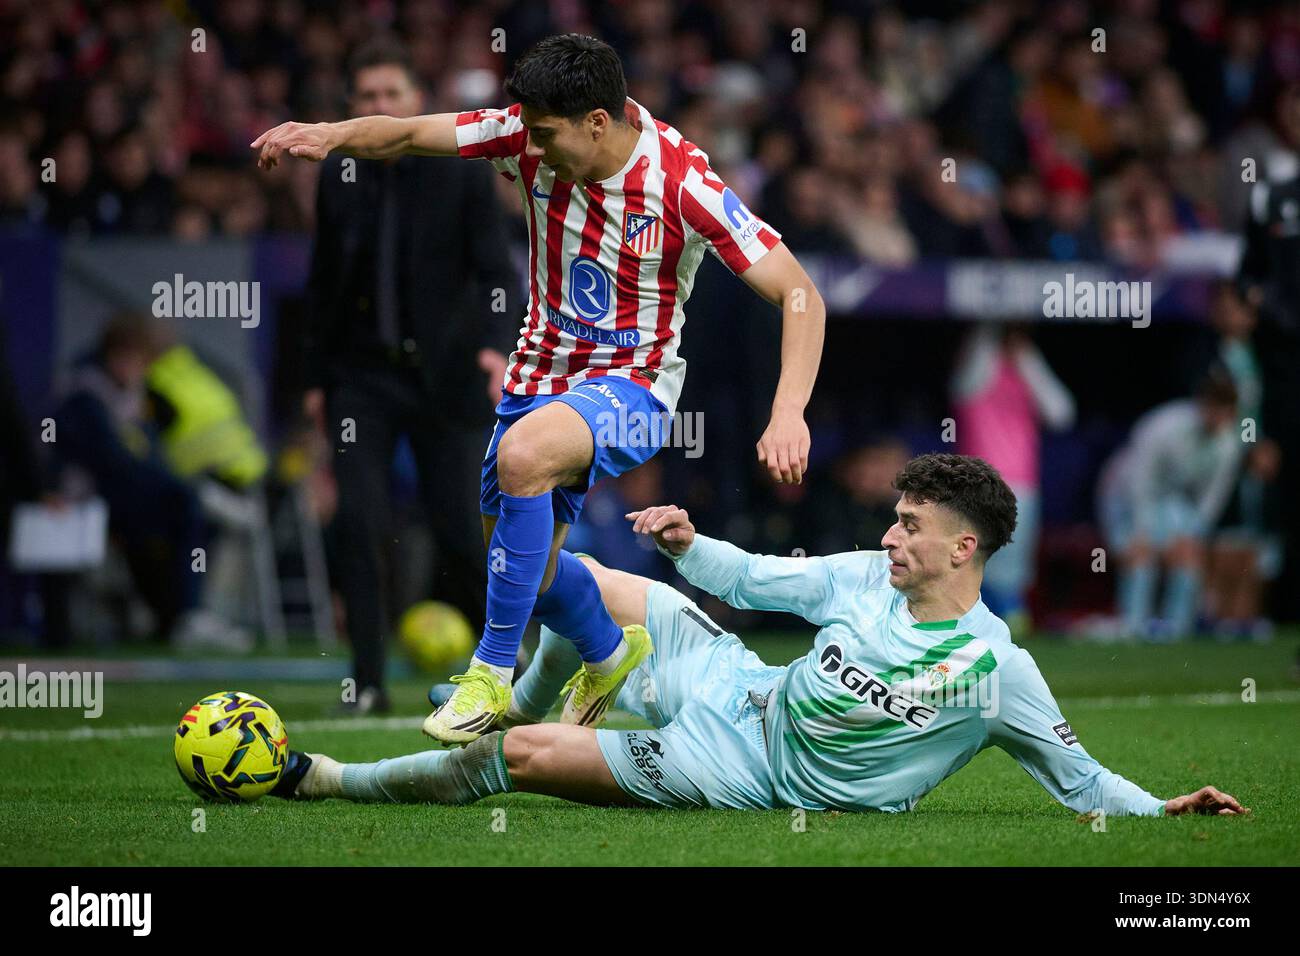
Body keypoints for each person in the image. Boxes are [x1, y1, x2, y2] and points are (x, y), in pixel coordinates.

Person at [254, 34, 825, 741]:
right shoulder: (524, 135)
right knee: (525, 565)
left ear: (596, 122)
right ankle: (611, 654)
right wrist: (328, 135)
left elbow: (801, 294)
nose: (533, 148)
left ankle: (490, 675)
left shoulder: (683, 183)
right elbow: (404, 132)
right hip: (537, 373)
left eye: (547, 134)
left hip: (633, 385)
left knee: (523, 461)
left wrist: (788, 410)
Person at [269, 454, 1246, 819]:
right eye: (893, 516)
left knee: (517, 758)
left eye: (909, 524)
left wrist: (1165, 809)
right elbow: (756, 580)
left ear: (964, 545)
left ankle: (318, 776)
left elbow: (1078, 779)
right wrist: (691, 545)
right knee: (581, 576)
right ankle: (563, 679)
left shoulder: (997, 670)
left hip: (736, 767)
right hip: (738, 681)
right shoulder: (864, 576)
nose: (888, 534)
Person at [302, 38, 519, 713]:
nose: (379, 107)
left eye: (391, 95)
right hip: (361, 378)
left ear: (416, 103)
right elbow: (322, 285)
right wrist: (315, 380)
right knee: (360, 524)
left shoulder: (460, 172)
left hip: (448, 375)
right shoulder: (338, 176)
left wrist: (495, 347)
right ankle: (366, 682)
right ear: (351, 108)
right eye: (366, 98)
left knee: (461, 526)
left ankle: (502, 679)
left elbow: (498, 273)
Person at [1095, 374, 1244, 640]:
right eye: (1212, 408)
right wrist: (1142, 531)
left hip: (1170, 499)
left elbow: (1211, 500)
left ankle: (1176, 632)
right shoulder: (1163, 425)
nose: (1216, 417)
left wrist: (1192, 535)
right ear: (1201, 404)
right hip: (1122, 492)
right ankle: (1132, 627)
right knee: (1140, 551)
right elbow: (1139, 480)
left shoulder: (1230, 445)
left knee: (1188, 552)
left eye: (1224, 411)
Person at [951, 323, 1076, 635]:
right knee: (975, 556)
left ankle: (1011, 624)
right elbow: (966, 387)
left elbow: (1062, 414)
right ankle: (968, 624)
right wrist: (989, 336)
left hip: (1022, 483)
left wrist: (1028, 359)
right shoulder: (976, 369)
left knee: (1015, 564)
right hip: (978, 481)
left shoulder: (1028, 371)